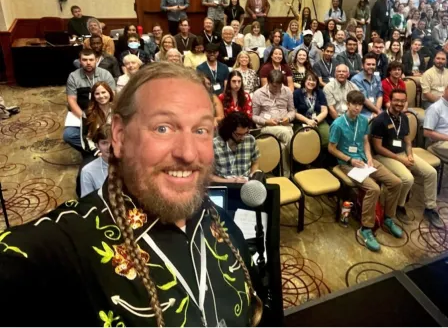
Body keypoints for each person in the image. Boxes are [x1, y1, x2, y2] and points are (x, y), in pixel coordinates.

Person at [0, 63, 263, 326]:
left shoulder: (222, 223)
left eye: (200, 130)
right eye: (163, 128)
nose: (189, 153)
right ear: (120, 135)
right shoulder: (70, 245)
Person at [329, 90, 403, 252]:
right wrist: (349, 160)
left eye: (360, 105)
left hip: (364, 160)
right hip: (348, 163)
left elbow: (365, 142)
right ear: (348, 104)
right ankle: (366, 229)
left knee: (396, 182)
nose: (357, 108)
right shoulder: (338, 124)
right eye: (354, 104)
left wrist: (369, 157)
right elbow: (331, 149)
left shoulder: (363, 121)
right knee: (374, 188)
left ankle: (388, 218)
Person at [371, 89, 442, 228]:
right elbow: (378, 148)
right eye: (396, 100)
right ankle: (399, 205)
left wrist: (409, 154)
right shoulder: (380, 120)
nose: (399, 103)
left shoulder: (404, 117)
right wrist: (401, 160)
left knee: (431, 173)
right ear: (390, 101)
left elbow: (408, 141)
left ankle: (430, 208)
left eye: (402, 101)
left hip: (403, 153)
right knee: (408, 178)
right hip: (384, 155)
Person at [63, 49, 116, 153]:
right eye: (85, 60)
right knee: (68, 135)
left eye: (91, 59)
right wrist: (85, 118)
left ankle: (104, 148)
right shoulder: (73, 76)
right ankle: (91, 150)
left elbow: (112, 96)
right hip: (83, 113)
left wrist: (102, 118)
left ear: (96, 60)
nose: (88, 63)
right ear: (80, 61)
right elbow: (71, 100)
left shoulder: (105, 74)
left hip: (103, 113)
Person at [252, 70, 295, 177]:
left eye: (279, 87)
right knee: (286, 133)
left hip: (285, 125)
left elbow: (292, 111)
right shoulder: (258, 94)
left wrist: (288, 118)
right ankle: (297, 156)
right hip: (267, 127)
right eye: (274, 86)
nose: (277, 89)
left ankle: (285, 175)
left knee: (283, 147)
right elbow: (254, 116)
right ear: (268, 82)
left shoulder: (287, 91)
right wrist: (266, 121)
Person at [211, 111, 259, 185]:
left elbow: (255, 162)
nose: (243, 138)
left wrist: (252, 176)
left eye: (246, 133)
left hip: (246, 185)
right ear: (229, 131)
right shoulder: (214, 145)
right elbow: (208, 176)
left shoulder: (250, 140)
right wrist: (231, 181)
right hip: (224, 186)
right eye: (239, 134)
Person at [293, 71, 330, 146]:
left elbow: (324, 111)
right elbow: (294, 112)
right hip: (301, 121)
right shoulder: (297, 93)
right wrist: (307, 121)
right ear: (304, 81)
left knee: (327, 137)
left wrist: (315, 121)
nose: (311, 82)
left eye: (314, 80)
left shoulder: (320, 92)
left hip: (318, 120)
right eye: (309, 80)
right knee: (305, 139)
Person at [79, 124, 111, 198]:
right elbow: (87, 202)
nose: (109, 147)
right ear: (97, 146)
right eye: (104, 143)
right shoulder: (88, 172)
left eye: (112, 142)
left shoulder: (129, 165)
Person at [351, 54, 383, 118]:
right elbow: (364, 99)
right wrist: (377, 112)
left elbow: (380, 95)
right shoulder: (356, 79)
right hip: (363, 112)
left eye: (373, 64)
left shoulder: (377, 78)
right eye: (368, 64)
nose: (371, 66)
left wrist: (377, 111)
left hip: (377, 109)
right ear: (362, 65)